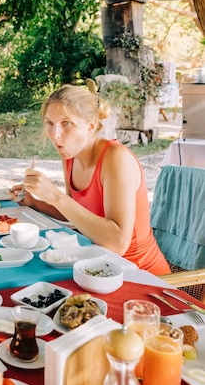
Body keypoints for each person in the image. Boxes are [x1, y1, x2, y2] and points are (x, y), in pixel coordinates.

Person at [11, 84, 170, 275]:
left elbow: (117, 244)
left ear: (91, 126)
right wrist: (35, 203)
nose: (55, 134)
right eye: (50, 123)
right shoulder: (70, 155)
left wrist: (54, 195)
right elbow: (78, 215)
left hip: (139, 274)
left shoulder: (116, 158)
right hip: (96, 266)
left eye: (66, 123)